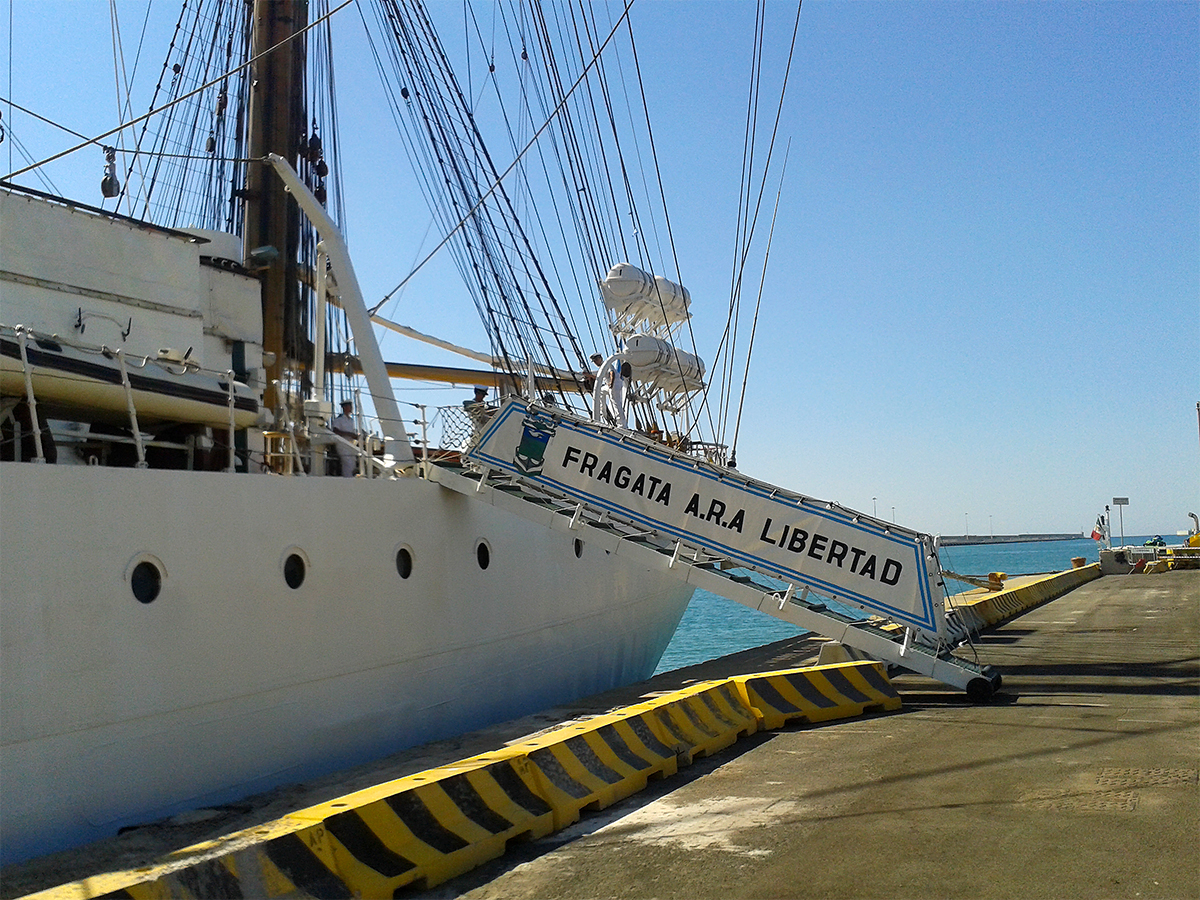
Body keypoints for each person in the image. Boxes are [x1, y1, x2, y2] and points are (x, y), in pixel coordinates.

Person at [331, 400, 357, 477]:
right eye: (350, 406)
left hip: (351, 444)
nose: (351, 408)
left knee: (353, 462)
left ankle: (351, 478)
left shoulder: (351, 421)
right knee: (347, 463)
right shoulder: (339, 420)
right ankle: (347, 479)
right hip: (342, 444)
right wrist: (349, 434)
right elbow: (335, 431)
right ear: (345, 407)